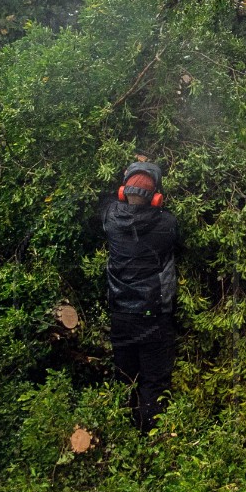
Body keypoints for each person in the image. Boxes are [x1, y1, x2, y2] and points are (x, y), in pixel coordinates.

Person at [102, 161, 179, 432]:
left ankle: (123, 436)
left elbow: (109, 203)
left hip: (120, 315)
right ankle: (150, 439)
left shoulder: (111, 218)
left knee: (125, 378)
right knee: (154, 382)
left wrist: (135, 169)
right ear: (157, 198)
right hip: (154, 317)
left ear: (123, 191)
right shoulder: (167, 224)